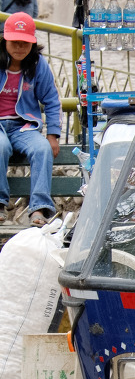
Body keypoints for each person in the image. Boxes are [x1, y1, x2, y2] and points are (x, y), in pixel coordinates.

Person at [0, 12, 61, 227]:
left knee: (42, 148)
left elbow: (52, 100)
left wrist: (53, 135)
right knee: (0, 147)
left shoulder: (38, 65)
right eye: (14, 42)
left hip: (23, 126)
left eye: (25, 43)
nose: (19, 48)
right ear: (4, 39)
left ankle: (38, 208)